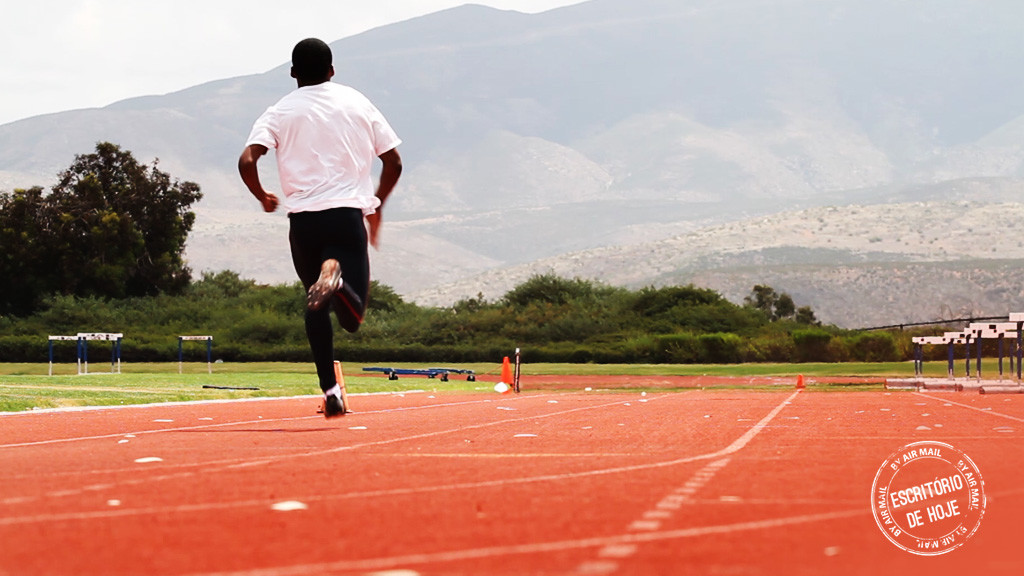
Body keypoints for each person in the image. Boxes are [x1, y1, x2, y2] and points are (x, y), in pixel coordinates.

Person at [238, 37, 402, 418]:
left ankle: (331, 392)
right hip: (346, 217)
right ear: (331, 70)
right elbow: (393, 161)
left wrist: (263, 195)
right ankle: (338, 281)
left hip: (303, 224)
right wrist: (377, 205)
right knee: (352, 318)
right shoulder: (356, 101)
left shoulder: (278, 111)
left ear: (293, 73)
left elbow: (248, 160)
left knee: (316, 307)